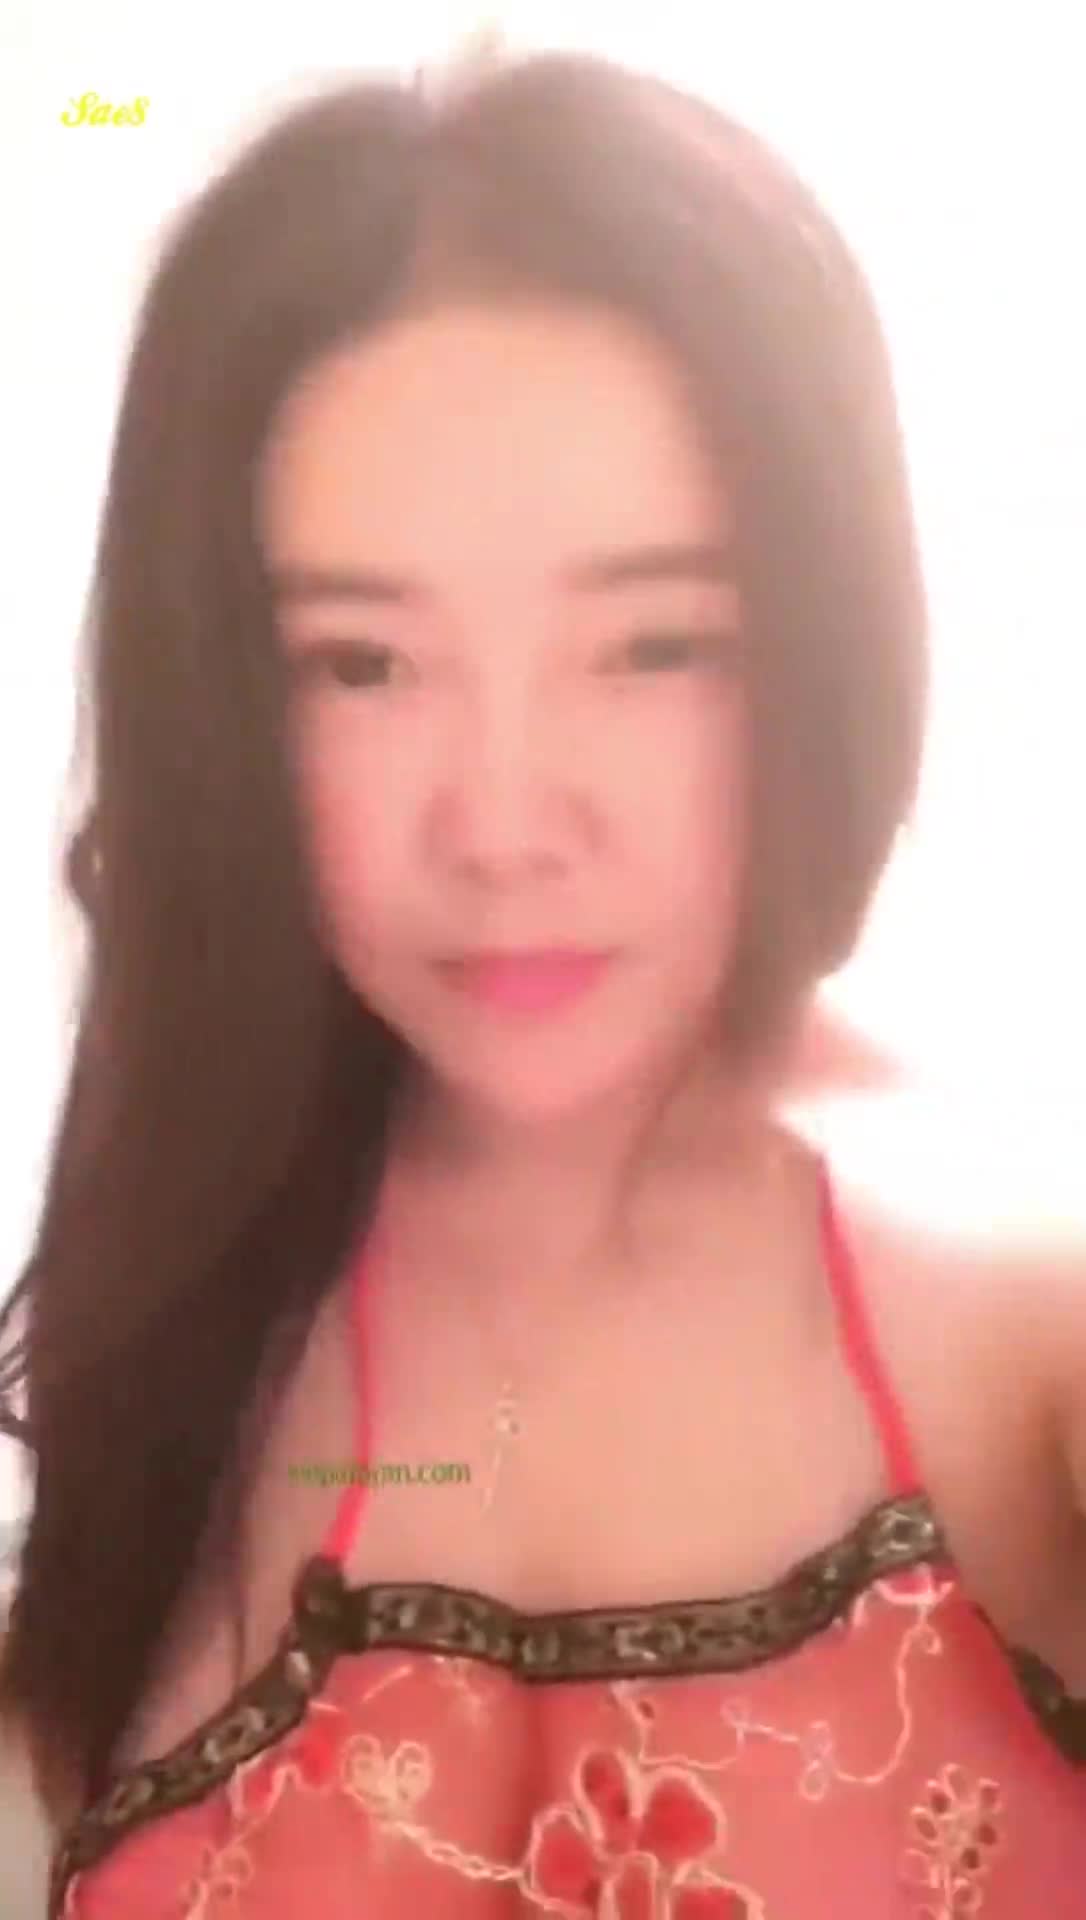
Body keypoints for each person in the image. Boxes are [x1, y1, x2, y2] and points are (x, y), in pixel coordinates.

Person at [0, 45, 1083, 1920]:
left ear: (820, 639)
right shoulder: (182, 1303)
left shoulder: (1026, 1297)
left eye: (652, 646)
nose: (503, 822)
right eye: (362, 664)